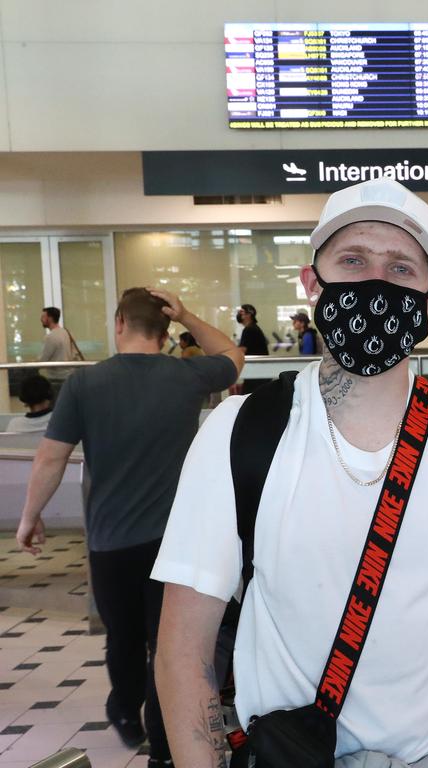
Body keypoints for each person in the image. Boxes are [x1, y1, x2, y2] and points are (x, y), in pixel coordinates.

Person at [152, 178, 428, 768]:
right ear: (312, 283)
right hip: (292, 755)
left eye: (401, 269)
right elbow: (183, 646)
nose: (375, 283)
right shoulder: (239, 431)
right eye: (352, 261)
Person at [16, 288, 243, 768]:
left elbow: (51, 455)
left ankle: (123, 707)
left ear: (119, 322)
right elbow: (231, 354)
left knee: (121, 637)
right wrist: (188, 313)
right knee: (170, 649)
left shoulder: (85, 385)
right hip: (175, 546)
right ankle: (164, 749)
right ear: (165, 334)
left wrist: (30, 517)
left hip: (110, 542)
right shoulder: (187, 375)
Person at [39, 306, 80, 396]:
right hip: (69, 376)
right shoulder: (66, 332)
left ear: (49, 318)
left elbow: (43, 360)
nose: (41, 319)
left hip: (56, 378)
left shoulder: (51, 337)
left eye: (43, 317)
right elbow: (74, 353)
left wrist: (34, 362)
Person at [236, 302, 270, 394]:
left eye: (241, 312)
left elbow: (242, 350)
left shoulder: (249, 329)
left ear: (249, 314)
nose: (239, 314)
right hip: (260, 372)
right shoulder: (254, 328)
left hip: (256, 374)